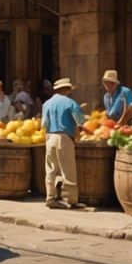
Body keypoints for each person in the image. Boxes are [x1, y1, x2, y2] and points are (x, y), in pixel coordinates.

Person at [42, 78, 86, 210]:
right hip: (64, 137)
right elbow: (80, 120)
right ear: (65, 90)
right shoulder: (70, 102)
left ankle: (50, 197)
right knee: (68, 170)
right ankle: (71, 200)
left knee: (50, 169)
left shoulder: (47, 104)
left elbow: (44, 124)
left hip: (50, 137)